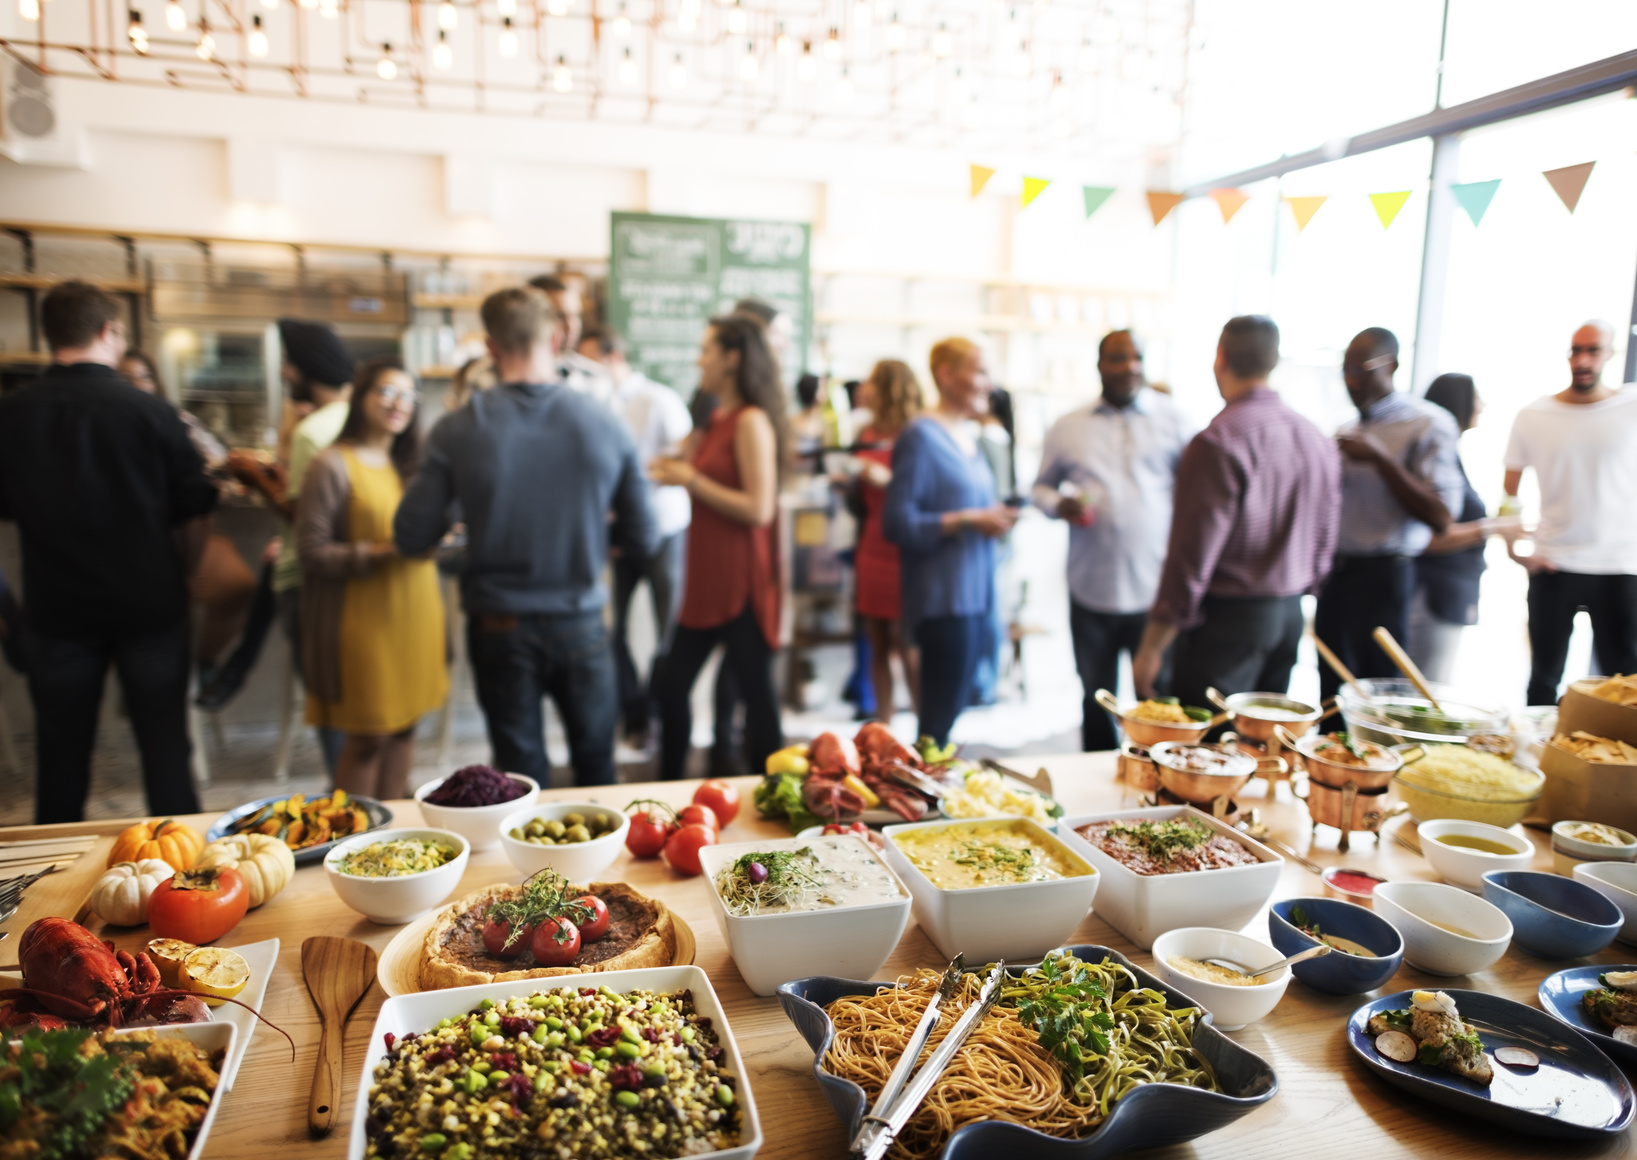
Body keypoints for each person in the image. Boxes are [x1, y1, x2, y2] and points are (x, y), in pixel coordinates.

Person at [395, 288, 656, 787]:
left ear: (491, 349)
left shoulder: (457, 429)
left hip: (499, 624)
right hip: (582, 619)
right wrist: (585, 533)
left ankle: (533, 868)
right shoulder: (606, 423)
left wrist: (477, 529)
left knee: (519, 774)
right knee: (597, 765)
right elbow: (642, 535)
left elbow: (411, 536)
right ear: (557, 338)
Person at [0, 281, 218, 822]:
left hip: (56, 608)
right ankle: (187, 881)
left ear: (49, 334)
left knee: (60, 755)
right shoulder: (151, 412)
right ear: (110, 331)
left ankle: (52, 886)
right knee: (166, 749)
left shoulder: (12, 415)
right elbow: (195, 509)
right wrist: (187, 575)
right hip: (150, 603)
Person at [1132, 316, 1341, 707]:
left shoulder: (1218, 440)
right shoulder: (1315, 437)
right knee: (1262, 745)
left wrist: (1152, 646)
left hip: (1229, 622)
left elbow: (1190, 558)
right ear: (1273, 361)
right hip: (1289, 613)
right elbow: (1325, 538)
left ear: (1220, 358)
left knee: (1207, 750)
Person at [1032, 330, 1192, 751]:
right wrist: (1057, 504)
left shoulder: (1175, 420)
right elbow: (1039, 489)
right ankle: (1098, 785)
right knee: (1095, 696)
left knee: (1156, 700)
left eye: (1137, 357)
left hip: (1155, 592)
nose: (1131, 367)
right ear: (1100, 365)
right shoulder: (1069, 426)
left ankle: (1156, 785)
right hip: (1092, 588)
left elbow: (1197, 494)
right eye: (1119, 358)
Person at [297, 358, 447, 799]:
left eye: (408, 395)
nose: (398, 403)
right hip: (362, 620)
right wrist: (384, 551)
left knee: (405, 730)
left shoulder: (414, 468)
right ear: (360, 396)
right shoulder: (331, 464)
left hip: (417, 612)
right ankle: (351, 844)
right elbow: (312, 552)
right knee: (368, 738)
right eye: (386, 392)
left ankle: (393, 844)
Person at [651, 314, 788, 781]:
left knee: (759, 704)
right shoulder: (715, 418)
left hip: (741, 583)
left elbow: (759, 508)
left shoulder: (750, 421)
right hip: (707, 581)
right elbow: (688, 465)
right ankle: (667, 794)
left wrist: (691, 479)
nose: (698, 358)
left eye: (706, 349)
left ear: (732, 358)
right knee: (672, 690)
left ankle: (777, 810)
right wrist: (672, 468)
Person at [219, 318, 355, 770]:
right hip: (352, 577)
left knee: (328, 702)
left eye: (287, 366)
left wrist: (256, 478)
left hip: (307, 580)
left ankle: (349, 800)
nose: (282, 375)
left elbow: (302, 518)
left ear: (300, 369)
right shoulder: (353, 419)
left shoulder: (312, 431)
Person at [1314, 327, 1463, 702]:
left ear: (1391, 365)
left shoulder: (1428, 423)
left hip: (1384, 577)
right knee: (1331, 693)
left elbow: (1442, 516)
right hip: (1336, 576)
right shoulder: (1347, 429)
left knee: (1377, 697)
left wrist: (1382, 460)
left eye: (1361, 370)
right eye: (1346, 370)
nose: (1352, 381)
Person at [884, 338, 1018, 747]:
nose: (988, 384)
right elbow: (898, 523)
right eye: (979, 371)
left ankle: (932, 793)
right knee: (937, 724)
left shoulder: (968, 436)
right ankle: (923, 801)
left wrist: (992, 516)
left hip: (977, 596)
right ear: (945, 374)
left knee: (952, 715)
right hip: (943, 600)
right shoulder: (921, 436)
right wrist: (967, 520)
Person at [1504, 320, 1637, 705]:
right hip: (1554, 563)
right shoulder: (1533, 414)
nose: (1582, 359)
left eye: (1593, 350)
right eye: (1575, 350)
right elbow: (1509, 493)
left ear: (1609, 354)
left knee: (1624, 684)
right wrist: (1514, 548)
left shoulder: (1630, 406)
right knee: (1543, 680)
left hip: (1619, 565)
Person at [584, 326, 694, 744]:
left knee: (669, 629)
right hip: (616, 532)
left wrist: (635, 475)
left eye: (590, 363)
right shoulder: (593, 405)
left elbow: (683, 462)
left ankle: (656, 710)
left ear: (613, 359)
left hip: (664, 528)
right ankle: (634, 710)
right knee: (611, 628)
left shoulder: (660, 399)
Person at [120, 349, 259, 677]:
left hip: (183, 542)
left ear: (156, 381)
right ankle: (142, 680)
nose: (138, 384)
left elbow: (221, 468)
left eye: (144, 376)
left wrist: (225, 486)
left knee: (237, 585)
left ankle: (202, 664)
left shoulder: (178, 421)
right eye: (126, 378)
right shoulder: (107, 426)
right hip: (129, 547)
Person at [1407, 375, 1521, 684]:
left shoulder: (1450, 457)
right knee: (1422, 693)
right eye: (1477, 397)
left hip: (1447, 594)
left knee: (1430, 687)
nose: (1482, 406)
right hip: (1433, 592)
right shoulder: (1434, 461)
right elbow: (1424, 539)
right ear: (1459, 403)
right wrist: (1491, 527)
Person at [847, 359, 924, 720]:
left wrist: (886, 480)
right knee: (876, 642)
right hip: (871, 545)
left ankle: (927, 730)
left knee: (909, 644)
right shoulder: (865, 434)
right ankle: (884, 724)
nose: (864, 388)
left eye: (872, 381)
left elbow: (925, 492)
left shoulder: (919, 432)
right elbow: (857, 500)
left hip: (905, 549)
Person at [528, 273, 615, 406]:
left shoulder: (595, 380)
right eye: (560, 316)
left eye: (576, 315)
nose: (572, 326)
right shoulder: (496, 376)